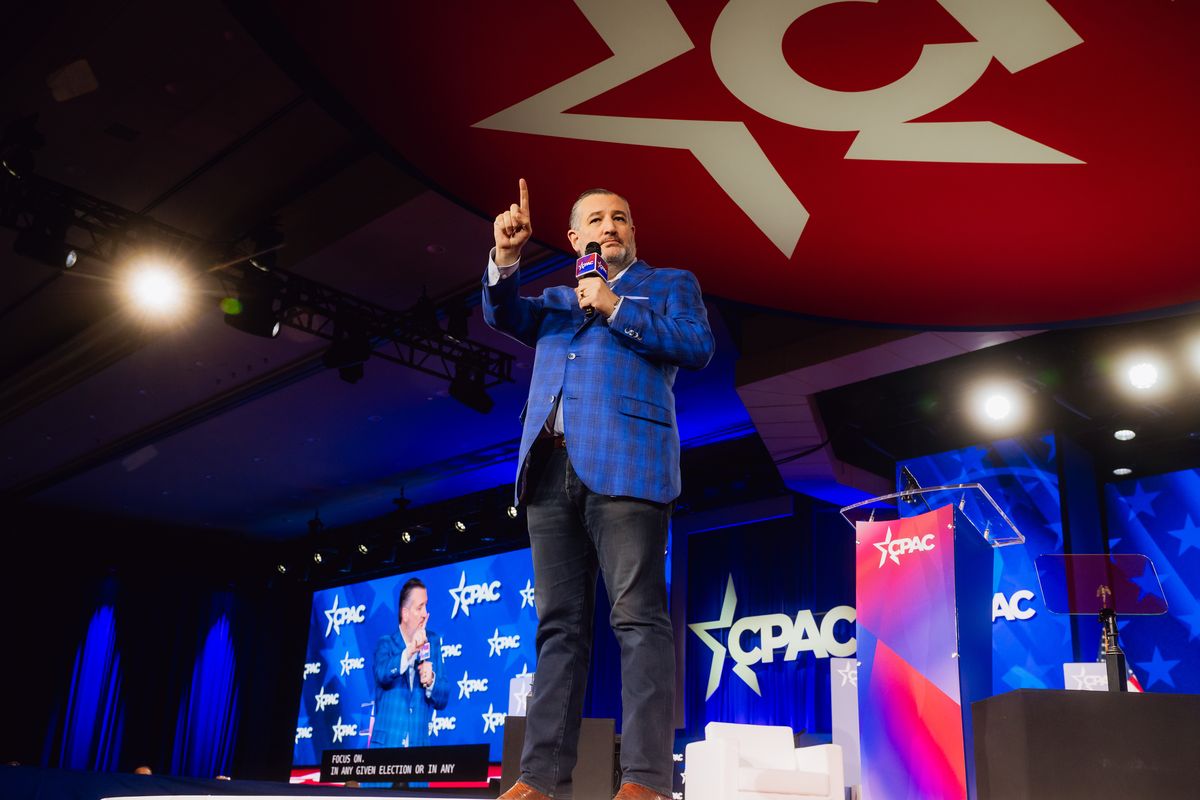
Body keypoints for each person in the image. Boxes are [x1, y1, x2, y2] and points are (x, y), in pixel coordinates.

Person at [482, 180, 714, 800]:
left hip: (629, 468)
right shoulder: (556, 300)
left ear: (633, 232)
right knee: (558, 627)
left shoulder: (669, 286)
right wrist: (506, 260)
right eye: (596, 219)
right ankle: (539, 778)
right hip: (549, 474)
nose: (610, 226)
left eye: (621, 218)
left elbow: (696, 347)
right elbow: (503, 314)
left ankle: (644, 779)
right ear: (574, 237)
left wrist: (615, 307)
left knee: (638, 620)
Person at [371, 578, 449, 749]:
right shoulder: (386, 643)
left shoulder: (433, 642)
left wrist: (431, 681)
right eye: (420, 607)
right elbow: (382, 673)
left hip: (418, 752)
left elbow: (443, 698)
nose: (425, 613)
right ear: (405, 614)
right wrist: (410, 651)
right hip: (386, 750)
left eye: (426, 606)